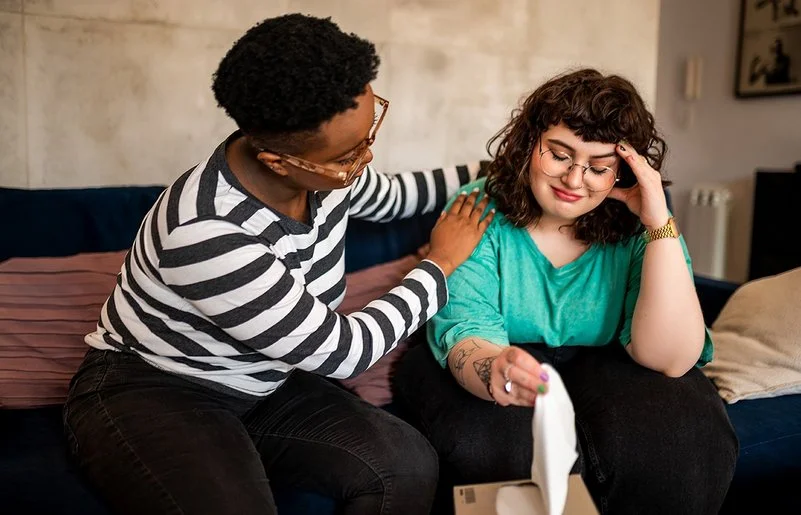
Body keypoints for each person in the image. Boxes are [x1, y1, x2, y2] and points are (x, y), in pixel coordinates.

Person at [63, 14, 494, 515]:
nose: (367, 158)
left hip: (264, 380)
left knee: (407, 463)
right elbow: (343, 353)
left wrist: (496, 169)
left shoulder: (327, 175)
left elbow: (395, 196)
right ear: (275, 160)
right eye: (351, 153)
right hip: (158, 392)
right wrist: (440, 263)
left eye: (371, 128)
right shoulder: (206, 231)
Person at [394, 69, 739, 515]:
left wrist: (658, 224)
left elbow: (669, 359)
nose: (575, 180)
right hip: (501, 352)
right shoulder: (477, 207)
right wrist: (491, 367)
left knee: (685, 446)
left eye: (598, 167)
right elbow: (466, 329)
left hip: (607, 358)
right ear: (529, 143)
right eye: (559, 155)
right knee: (497, 447)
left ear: (623, 171)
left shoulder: (642, 225)